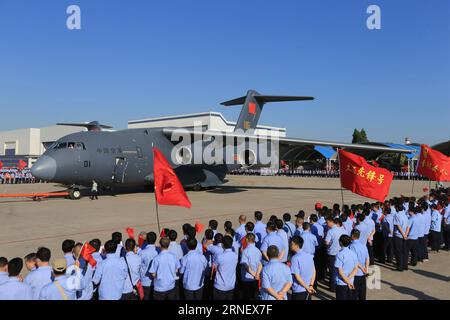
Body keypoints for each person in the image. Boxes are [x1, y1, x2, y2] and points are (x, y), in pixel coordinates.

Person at [290, 236, 316, 300]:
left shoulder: (295, 258)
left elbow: (297, 276)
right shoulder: (309, 256)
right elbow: (314, 271)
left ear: (297, 245)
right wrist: (311, 285)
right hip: (308, 289)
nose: (290, 245)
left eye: (291, 244)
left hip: (299, 290)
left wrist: (307, 287)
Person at [334, 235, 359, 300]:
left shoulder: (339, 254)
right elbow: (356, 268)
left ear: (340, 242)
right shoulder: (353, 253)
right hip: (351, 281)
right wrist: (349, 280)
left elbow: (340, 271)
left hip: (341, 282)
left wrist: (347, 281)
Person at [213, 235, 238, 300]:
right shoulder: (235, 256)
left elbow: (214, 267)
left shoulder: (220, 257)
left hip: (220, 286)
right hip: (231, 285)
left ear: (222, 245)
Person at [324, 216, 346, 292]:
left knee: (333, 271)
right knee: (340, 270)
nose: (327, 224)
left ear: (331, 222)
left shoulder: (330, 231)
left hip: (332, 253)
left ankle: (333, 287)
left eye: (327, 222)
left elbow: (326, 242)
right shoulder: (343, 230)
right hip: (341, 252)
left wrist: (329, 244)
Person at [239, 233, 262, 300]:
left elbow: (246, 266)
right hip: (255, 278)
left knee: (246, 296)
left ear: (246, 239)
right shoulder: (258, 251)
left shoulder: (245, 251)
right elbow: (260, 264)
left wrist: (254, 274)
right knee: (254, 296)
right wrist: (257, 274)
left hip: (247, 278)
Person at [349, 229, 369, 300]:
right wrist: (366, 269)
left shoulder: (351, 246)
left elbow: (355, 261)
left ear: (352, 235)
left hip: (356, 274)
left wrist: (362, 268)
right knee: (362, 294)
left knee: (354, 294)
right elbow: (367, 258)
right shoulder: (363, 245)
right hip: (363, 274)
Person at [139, 232, 158, 300]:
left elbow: (138, 265)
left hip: (145, 282)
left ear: (146, 240)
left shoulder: (142, 252)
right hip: (157, 281)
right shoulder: (158, 250)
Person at [393, 204, 408, 271]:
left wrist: (403, 234)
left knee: (398, 251)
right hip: (404, 235)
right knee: (404, 251)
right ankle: (405, 265)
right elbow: (408, 225)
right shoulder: (405, 215)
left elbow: (398, 226)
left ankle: (400, 267)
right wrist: (405, 234)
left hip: (399, 235)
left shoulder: (397, 215)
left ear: (397, 208)